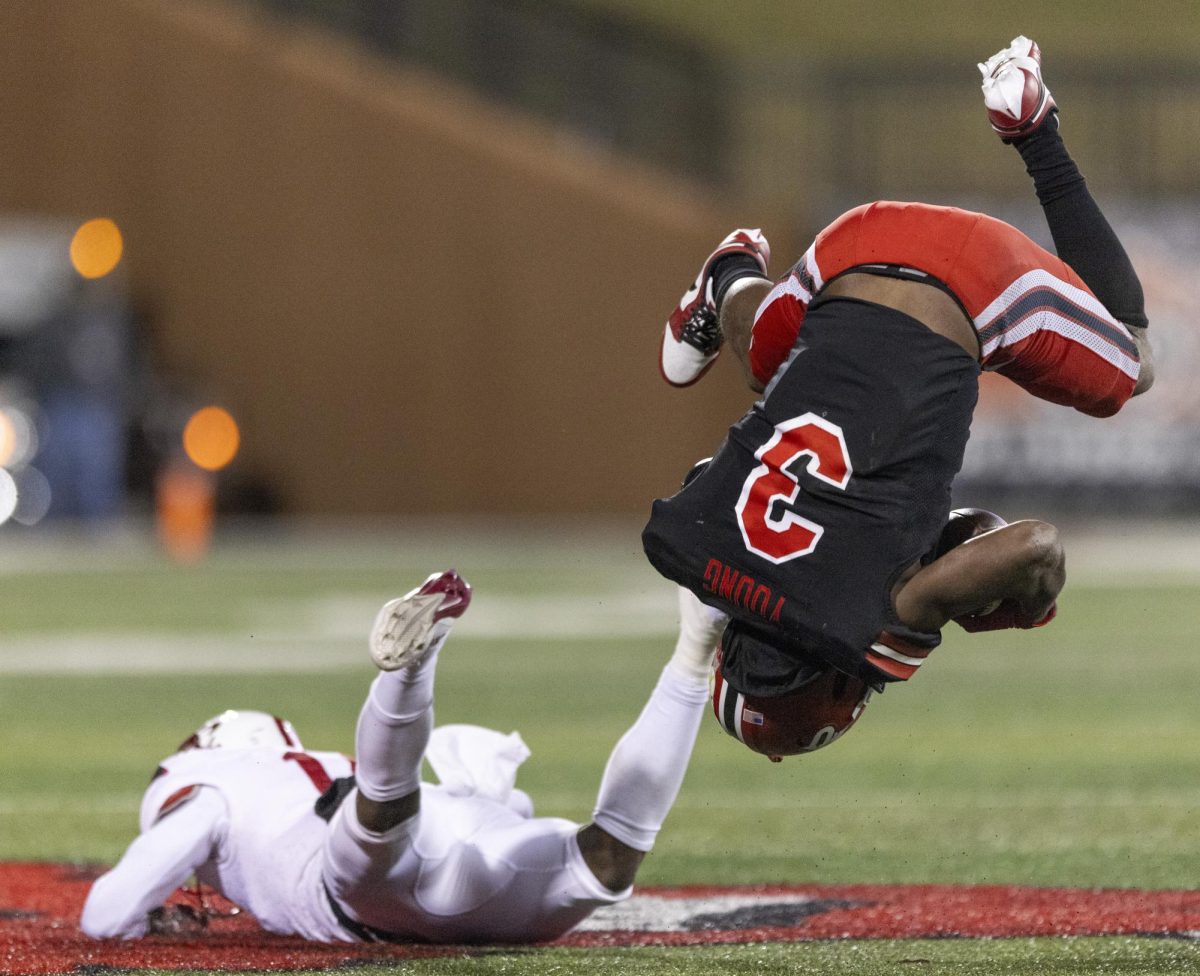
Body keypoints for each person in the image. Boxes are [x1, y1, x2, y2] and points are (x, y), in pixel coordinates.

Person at [644, 37, 1153, 759]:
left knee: (1133, 363)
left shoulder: (871, 622)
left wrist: (1024, 601)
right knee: (767, 361)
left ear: (834, 690)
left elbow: (1035, 544)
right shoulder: (686, 540)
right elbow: (729, 485)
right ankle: (727, 274)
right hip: (851, 243)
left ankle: (1033, 130)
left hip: (977, 280)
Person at [80, 570, 727, 944]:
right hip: (458, 821)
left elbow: (104, 915)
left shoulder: (206, 781)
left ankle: (410, 671)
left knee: (381, 820)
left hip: (362, 886)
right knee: (602, 865)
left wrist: (143, 919)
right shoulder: (299, 761)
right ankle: (694, 654)